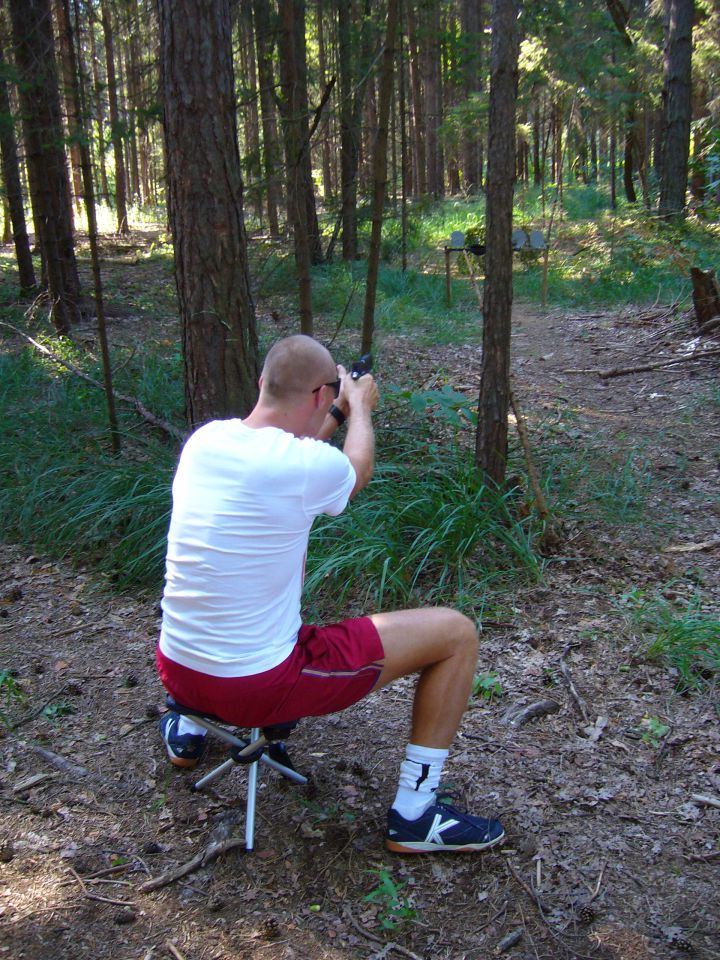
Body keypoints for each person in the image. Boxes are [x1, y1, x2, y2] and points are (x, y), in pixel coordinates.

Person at [157, 335, 504, 854]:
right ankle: (417, 814)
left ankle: (186, 729)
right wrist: (360, 408)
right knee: (456, 632)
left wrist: (334, 410)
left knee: (225, 587)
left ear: (262, 383)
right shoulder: (301, 468)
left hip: (178, 669)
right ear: (319, 393)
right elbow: (354, 468)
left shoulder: (206, 441)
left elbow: (293, 451)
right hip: (253, 687)